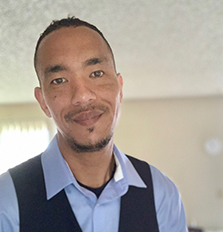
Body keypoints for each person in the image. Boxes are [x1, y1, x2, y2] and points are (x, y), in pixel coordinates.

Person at [0, 17, 188, 232]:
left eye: (96, 74)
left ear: (119, 88)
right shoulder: (6, 201)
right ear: (43, 101)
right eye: (59, 80)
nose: (82, 96)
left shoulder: (162, 195)